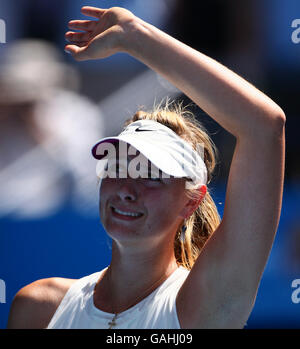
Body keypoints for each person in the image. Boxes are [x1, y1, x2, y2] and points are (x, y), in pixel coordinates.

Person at [7, 6, 285, 329]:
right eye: (118, 167)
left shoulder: (203, 307)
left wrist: (137, 38)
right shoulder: (36, 308)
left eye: (152, 175)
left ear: (191, 200)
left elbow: (265, 127)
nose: (126, 189)